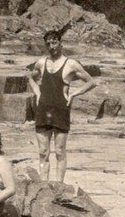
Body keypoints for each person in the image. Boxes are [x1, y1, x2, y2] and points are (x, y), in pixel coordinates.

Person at [27, 27, 97, 182]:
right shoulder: (41, 62)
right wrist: (37, 93)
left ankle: (59, 186)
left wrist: (74, 94)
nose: (52, 47)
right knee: (43, 152)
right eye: (48, 44)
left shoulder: (71, 64)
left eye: (54, 42)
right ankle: (43, 186)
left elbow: (91, 82)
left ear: (60, 43)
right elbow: (31, 77)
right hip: (43, 109)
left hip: (61, 110)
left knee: (59, 151)